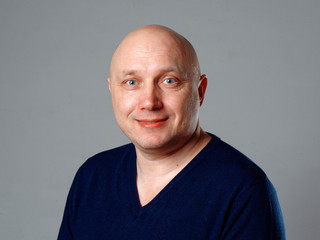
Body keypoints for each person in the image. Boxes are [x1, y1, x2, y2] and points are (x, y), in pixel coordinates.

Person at [58, 25, 285, 239]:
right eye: (131, 82)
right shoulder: (92, 177)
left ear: (200, 91)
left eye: (169, 81)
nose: (149, 102)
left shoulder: (244, 191)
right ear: (111, 90)